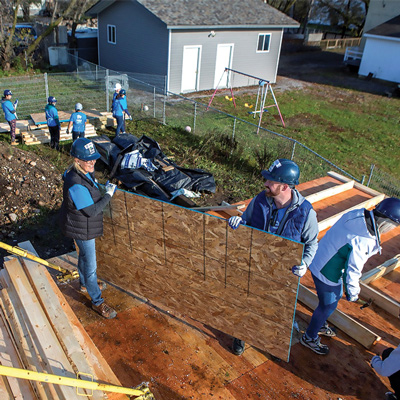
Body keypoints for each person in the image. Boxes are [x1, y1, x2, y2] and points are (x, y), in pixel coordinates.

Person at [228, 158, 319, 355]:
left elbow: (312, 243)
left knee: (274, 309)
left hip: (282, 272)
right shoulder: (261, 199)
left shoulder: (305, 212)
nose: (266, 184)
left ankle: (269, 342)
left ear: (285, 186)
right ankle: (240, 335)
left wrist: (305, 263)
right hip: (256, 264)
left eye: (271, 181)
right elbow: (247, 220)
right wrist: (239, 221)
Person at [301, 197, 400, 355]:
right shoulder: (364, 240)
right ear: (387, 223)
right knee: (329, 305)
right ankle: (309, 337)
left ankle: (319, 325)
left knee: (329, 299)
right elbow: (352, 270)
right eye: (394, 226)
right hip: (327, 271)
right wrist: (353, 293)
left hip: (320, 256)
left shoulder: (358, 215)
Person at [60, 137, 118, 319]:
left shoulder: (78, 172)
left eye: (93, 158)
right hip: (82, 228)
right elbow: (92, 211)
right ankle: (97, 302)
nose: (93, 162)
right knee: (91, 266)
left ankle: (84, 284)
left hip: (78, 225)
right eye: (88, 159)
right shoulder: (76, 184)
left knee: (83, 257)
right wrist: (108, 194)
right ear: (77, 160)